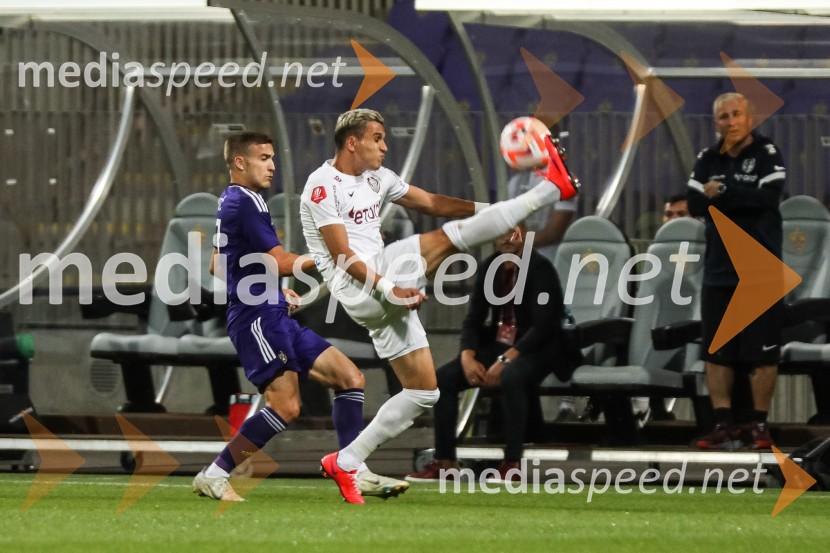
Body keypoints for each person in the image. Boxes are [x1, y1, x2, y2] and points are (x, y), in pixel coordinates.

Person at [299, 109, 579, 484]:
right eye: (377, 138)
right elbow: (343, 256)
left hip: (381, 293)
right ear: (353, 142)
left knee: (424, 392)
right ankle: (549, 189)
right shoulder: (322, 185)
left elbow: (431, 203)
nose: (384, 146)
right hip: (363, 283)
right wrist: (389, 287)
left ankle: (348, 461)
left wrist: (492, 212)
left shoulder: (378, 177)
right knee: (450, 239)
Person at [192, 132, 406, 505]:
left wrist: (271, 288)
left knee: (350, 378)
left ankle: (353, 467)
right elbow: (280, 260)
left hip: (270, 310)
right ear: (240, 163)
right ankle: (215, 474)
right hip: (257, 320)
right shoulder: (243, 202)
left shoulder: (239, 200)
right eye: (263, 158)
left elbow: (217, 263)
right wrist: (330, 256)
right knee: (286, 406)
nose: (272, 165)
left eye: (273, 157)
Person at [404, 223, 567, 482]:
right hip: (500, 345)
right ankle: (445, 462)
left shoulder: (540, 268)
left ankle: (512, 463)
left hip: (539, 348)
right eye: (501, 232)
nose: (508, 239)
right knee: (443, 379)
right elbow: (474, 320)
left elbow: (545, 326)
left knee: (511, 377)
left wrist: (505, 359)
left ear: (524, 234)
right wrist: (467, 356)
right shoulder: (489, 267)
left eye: (514, 232)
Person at [687, 93, 785, 450]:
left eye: (737, 114)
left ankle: (759, 425)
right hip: (718, 269)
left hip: (759, 269)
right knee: (717, 351)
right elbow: (694, 203)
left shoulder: (767, 153)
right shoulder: (706, 158)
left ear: (750, 117)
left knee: (762, 353)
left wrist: (721, 192)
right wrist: (719, 197)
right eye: (723, 117)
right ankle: (723, 423)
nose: (731, 121)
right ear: (716, 123)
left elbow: (765, 198)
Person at [506, 137, 578, 422]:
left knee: (557, 327)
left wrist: (523, 244)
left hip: (554, 265)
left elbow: (557, 229)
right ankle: (523, 405)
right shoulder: (515, 182)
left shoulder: (564, 180)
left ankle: (567, 402)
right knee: (521, 328)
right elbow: (511, 225)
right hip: (523, 268)